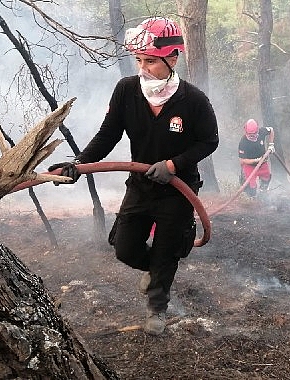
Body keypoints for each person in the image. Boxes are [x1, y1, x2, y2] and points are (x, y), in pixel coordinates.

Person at [47, 17, 219, 335]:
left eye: (150, 61)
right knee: (125, 248)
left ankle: (158, 310)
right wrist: (79, 163)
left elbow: (210, 142)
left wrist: (173, 165)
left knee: (167, 250)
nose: (143, 69)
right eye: (139, 60)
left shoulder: (193, 101)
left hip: (178, 191)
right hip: (140, 185)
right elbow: (108, 134)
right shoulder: (126, 91)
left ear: (172, 58)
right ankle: (155, 271)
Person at [238, 119, 275, 197]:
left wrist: (271, 144)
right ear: (246, 132)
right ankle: (251, 198)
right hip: (249, 166)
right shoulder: (243, 142)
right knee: (251, 188)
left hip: (263, 163)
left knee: (266, 178)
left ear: (257, 130)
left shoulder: (262, 131)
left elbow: (271, 130)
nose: (252, 137)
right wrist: (256, 161)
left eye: (254, 134)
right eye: (250, 135)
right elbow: (242, 160)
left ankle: (263, 194)